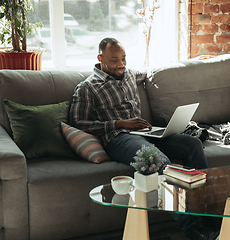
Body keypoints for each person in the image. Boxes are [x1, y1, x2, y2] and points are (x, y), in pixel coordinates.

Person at [69, 37, 219, 240]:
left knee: (192, 144)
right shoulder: (88, 88)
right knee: (157, 161)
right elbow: (77, 122)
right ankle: (193, 228)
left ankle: (210, 218)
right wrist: (120, 123)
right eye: (114, 60)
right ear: (100, 58)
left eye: (123, 58)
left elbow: (153, 71)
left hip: (146, 132)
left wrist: (194, 61)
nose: (121, 64)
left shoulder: (130, 74)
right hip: (119, 138)